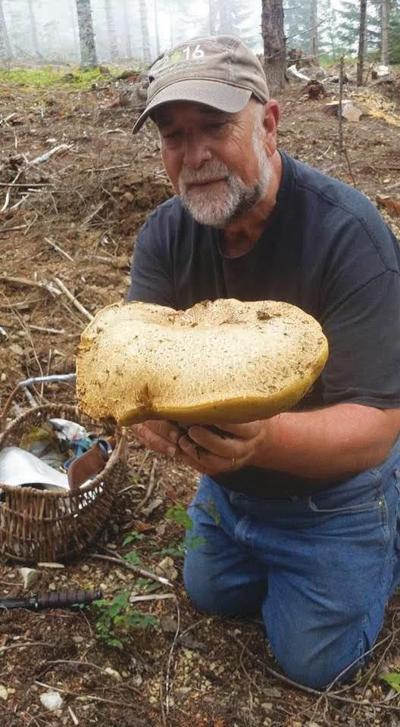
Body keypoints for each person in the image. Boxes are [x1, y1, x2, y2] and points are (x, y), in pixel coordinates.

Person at [127, 34, 400, 689]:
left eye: (215, 127)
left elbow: (379, 421)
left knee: (313, 662)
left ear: (269, 123)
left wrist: (261, 440)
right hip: (228, 494)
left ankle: (384, 534)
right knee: (211, 593)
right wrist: (154, 422)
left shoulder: (348, 235)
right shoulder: (166, 235)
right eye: (173, 136)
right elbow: (134, 370)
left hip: (333, 496)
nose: (193, 157)